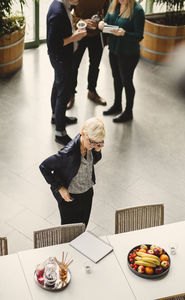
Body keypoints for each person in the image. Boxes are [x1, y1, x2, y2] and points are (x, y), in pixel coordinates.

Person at [39, 117, 105, 227]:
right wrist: (60, 188)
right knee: (68, 233)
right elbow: (44, 167)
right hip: (71, 198)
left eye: (97, 143)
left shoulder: (91, 144)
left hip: (87, 193)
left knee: (83, 227)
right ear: (83, 134)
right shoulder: (67, 153)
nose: (94, 146)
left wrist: (98, 150)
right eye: (92, 142)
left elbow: (92, 161)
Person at [47, 0, 86, 145]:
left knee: (57, 85)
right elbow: (54, 43)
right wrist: (75, 37)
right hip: (62, 58)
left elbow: (59, 32)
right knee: (63, 93)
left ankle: (56, 117)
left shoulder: (61, 5)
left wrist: (73, 29)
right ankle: (60, 133)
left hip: (60, 58)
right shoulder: (58, 13)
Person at [99, 0, 145, 123]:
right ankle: (117, 105)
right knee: (116, 78)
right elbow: (107, 20)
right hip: (114, 50)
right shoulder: (114, 4)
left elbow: (139, 36)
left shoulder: (137, 11)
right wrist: (102, 23)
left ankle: (128, 112)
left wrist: (125, 33)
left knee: (126, 81)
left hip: (128, 54)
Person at [66, 0, 110, 109]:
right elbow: (66, 12)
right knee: (73, 65)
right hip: (79, 34)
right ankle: (70, 94)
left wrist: (100, 21)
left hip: (96, 35)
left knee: (95, 65)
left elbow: (108, 12)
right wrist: (82, 21)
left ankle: (92, 91)